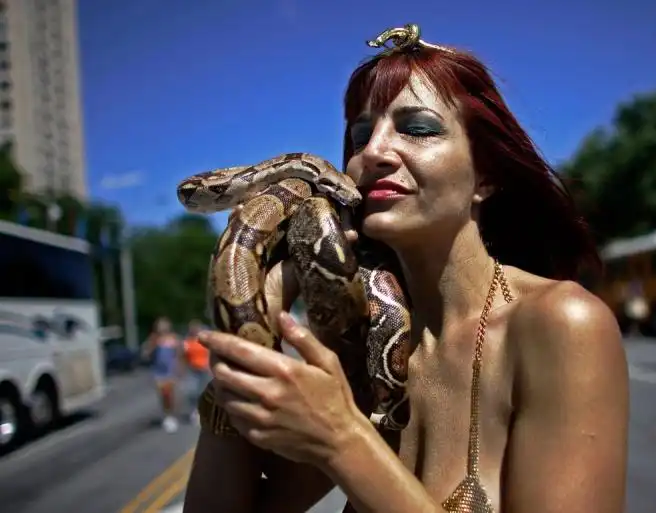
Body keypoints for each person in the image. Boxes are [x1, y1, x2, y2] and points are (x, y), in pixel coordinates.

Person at [184, 23, 629, 513]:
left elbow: (341, 441)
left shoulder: (561, 323)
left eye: (417, 128)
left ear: (486, 177)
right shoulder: (358, 343)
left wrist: (341, 439)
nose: (372, 151)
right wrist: (245, 347)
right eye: (359, 134)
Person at [141, 317, 182, 433]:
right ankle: (167, 415)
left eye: (164, 325)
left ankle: (172, 415)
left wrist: (179, 368)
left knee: (171, 395)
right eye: (159, 325)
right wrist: (152, 345)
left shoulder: (174, 338)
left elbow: (179, 354)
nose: (162, 328)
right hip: (158, 372)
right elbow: (145, 354)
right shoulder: (153, 339)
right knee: (163, 395)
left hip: (171, 372)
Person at [182, 319, 212, 424]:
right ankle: (194, 411)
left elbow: (209, 353)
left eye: (196, 328)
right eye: (192, 328)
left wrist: (210, 365)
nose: (194, 330)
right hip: (192, 370)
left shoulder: (204, 341)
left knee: (204, 392)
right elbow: (183, 356)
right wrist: (182, 368)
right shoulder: (187, 342)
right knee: (192, 391)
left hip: (204, 369)